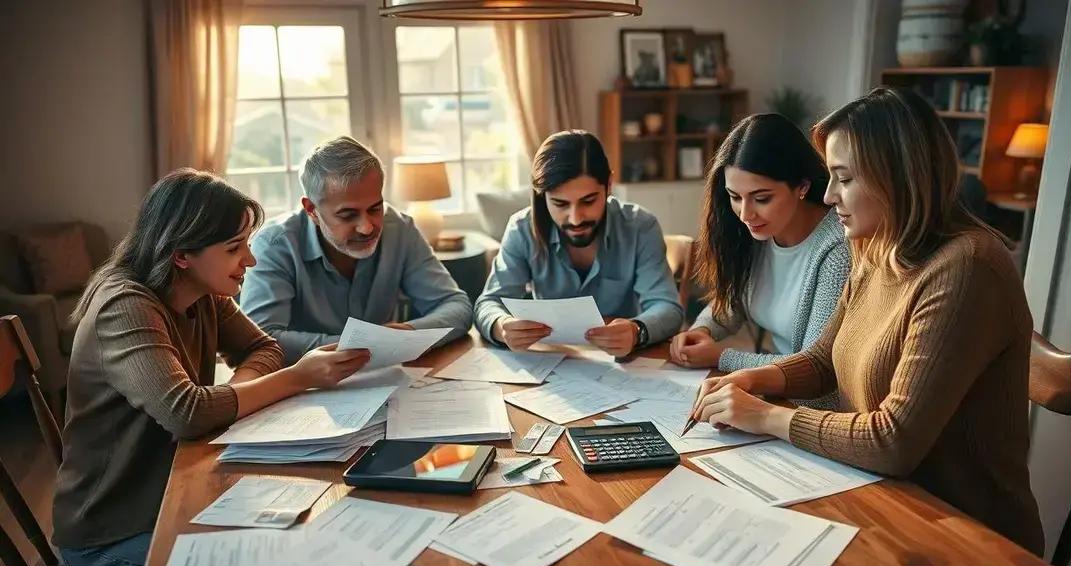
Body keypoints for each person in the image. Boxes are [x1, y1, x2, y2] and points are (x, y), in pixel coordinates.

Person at [691, 87, 1044, 554]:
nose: (828, 193)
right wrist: (761, 376)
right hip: (878, 495)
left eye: (842, 178)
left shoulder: (966, 267)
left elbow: (893, 441)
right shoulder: (876, 245)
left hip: (963, 533)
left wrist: (768, 416)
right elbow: (823, 358)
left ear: (898, 176)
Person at [53, 169, 371, 566]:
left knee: (309, 534)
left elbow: (265, 349)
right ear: (183, 254)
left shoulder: (204, 293)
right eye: (234, 248)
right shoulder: (125, 306)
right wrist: (296, 379)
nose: (251, 261)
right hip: (110, 535)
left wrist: (233, 395)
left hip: (171, 498)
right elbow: (187, 414)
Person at [240, 136, 472, 364]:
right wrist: (366, 346)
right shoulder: (274, 244)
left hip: (384, 380)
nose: (367, 227)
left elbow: (458, 308)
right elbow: (259, 339)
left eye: (375, 208)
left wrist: (405, 333)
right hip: (301, 389)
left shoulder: (399, 228)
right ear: (311, 209)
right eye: (348, 214)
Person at [669, 114, 849, 381]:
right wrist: (703, 330)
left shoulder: (837, 250)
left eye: (761, 198)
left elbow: (814, 370)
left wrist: (722, 357)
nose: (745, 214)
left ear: (802, 186)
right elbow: (734, 303)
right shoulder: (759, 230)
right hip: (775, 390)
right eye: (734, 197)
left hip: (810, 401)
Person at [474, 129, 683, 357]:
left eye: (588, 201)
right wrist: (501, 326)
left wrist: (637, 330)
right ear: (542, 196)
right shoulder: (522, 228)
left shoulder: (640, 226)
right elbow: (488, 303)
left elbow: (668, 308)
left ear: (609, 185)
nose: (576, 218)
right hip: (551, 361)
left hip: (624, 363)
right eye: (560, 204)